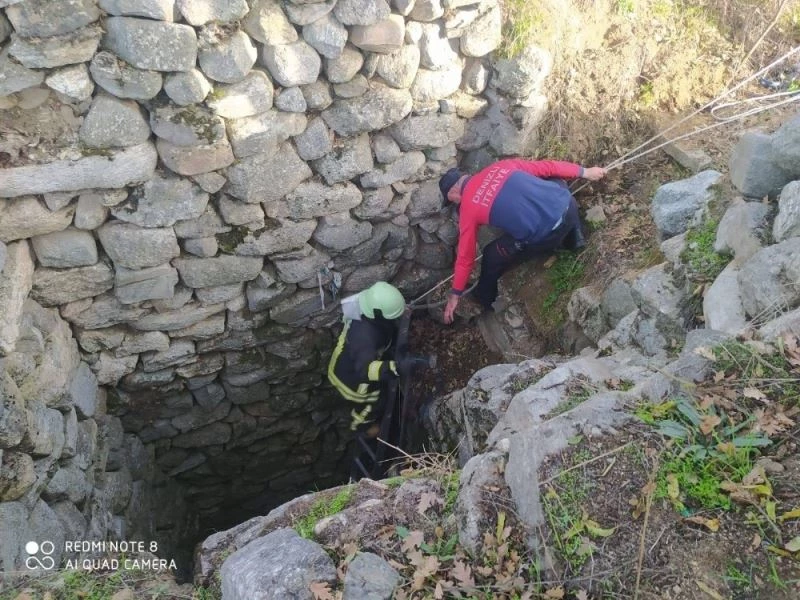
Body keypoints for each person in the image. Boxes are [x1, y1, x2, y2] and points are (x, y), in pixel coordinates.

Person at [439, 158, 607, 324]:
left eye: (451, 200)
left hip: (547, 236)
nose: (454, 203)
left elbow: (466, 256)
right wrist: (585, 172)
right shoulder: (500, 166)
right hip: (569, 207)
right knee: (554, 180)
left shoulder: (468, 208)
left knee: (491, 254)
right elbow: (548, 167)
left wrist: (455, 294)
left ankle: (484, 298)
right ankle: (575, 235)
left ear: (453, 191)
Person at [327, 281, 417, 433]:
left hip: (343, 363)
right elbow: (366, 370)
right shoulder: (364, 338)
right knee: (375, 401)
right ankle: (362, 427)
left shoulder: (365, 306)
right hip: (350, 381)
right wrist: (396, 368)